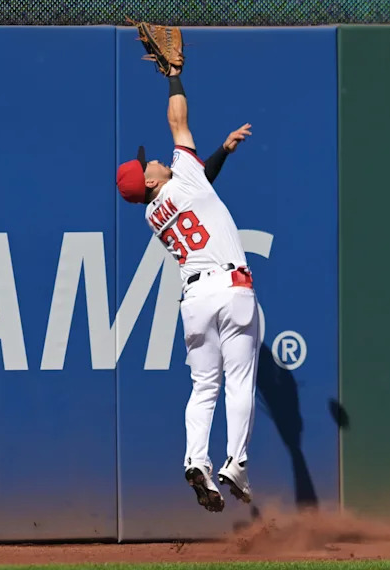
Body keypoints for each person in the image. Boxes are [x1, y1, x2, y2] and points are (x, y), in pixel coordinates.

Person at [115, 59, 261, 514]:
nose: (153, 159)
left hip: (194, 300)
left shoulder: (152, 212)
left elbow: (201, 184)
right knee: (238, 383)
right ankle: (235, 462)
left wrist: (223, 150)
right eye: (147, 165)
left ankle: (196, 460)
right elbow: (178, 119)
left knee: (203, 387)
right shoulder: (181, 173)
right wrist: (173, 74)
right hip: (231, 289)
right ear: (152, 180)